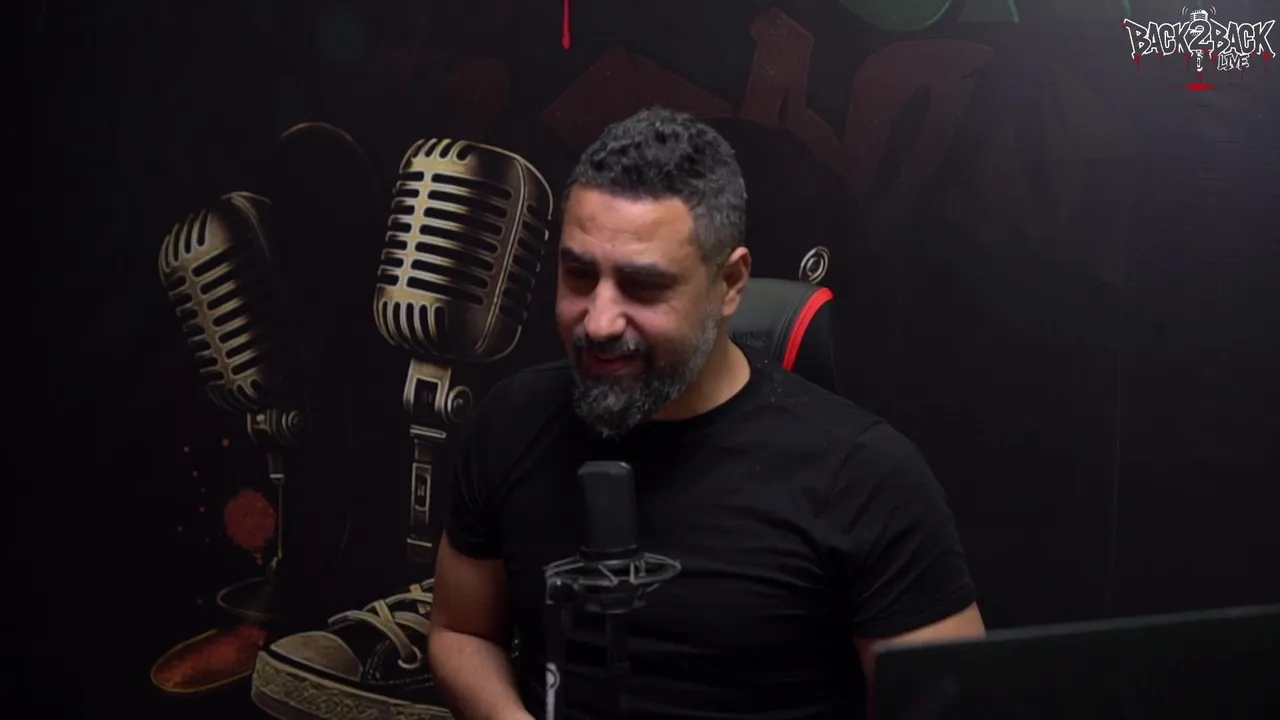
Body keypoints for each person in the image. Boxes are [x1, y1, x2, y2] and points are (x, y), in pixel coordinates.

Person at [427, 106, 985, 719]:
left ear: (731, 283)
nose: (600, 321)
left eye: (643, 286)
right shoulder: (512, 423)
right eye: (579, 276)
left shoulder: (864, 479)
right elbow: (461, 631)